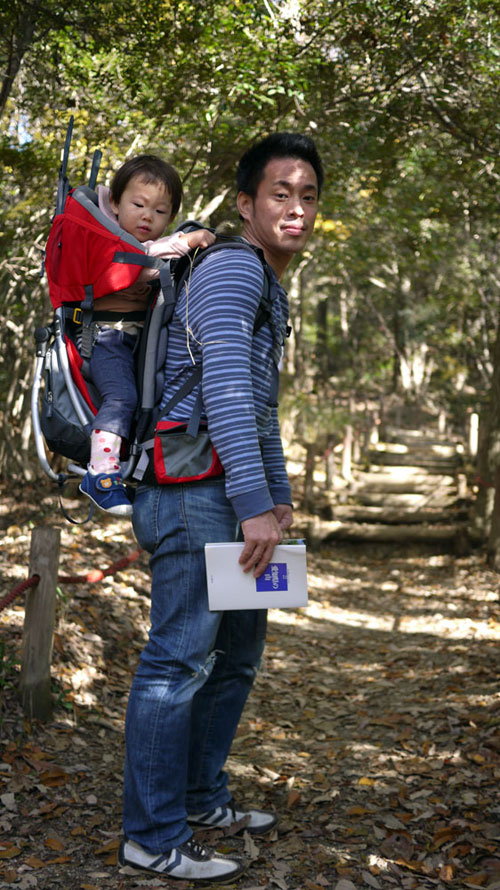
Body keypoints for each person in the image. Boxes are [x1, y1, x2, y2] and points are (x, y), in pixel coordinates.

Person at [118, 133, 323, 883]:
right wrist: (254, 504)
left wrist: (279, 495)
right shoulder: (234, 270)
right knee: (177, 661)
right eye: (280, 193)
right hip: (191, 492)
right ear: (246, 203)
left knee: (234, 657)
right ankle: (151, 834)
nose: (296, 208)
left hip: (228, 491)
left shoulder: (266, 281)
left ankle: (201, 797)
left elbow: (259, 409)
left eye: (307, 196)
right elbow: (227, 391)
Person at [78, 154, 215, 516]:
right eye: (138, 204)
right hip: (105, 338)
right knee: (121, 398)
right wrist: (186, 241)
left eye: (159, 212)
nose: (146, 216)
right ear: (116, 203)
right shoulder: (110, 245)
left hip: (135, 341)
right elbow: (142, 263)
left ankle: (129, 467)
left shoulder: (146, 246)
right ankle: (100, 475)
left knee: (143, 403)